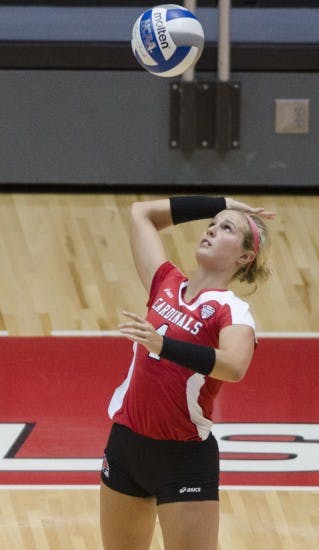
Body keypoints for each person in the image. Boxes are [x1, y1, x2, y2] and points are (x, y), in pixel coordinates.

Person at [100, 196, 276, 550]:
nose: (211, 229)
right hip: (126, 445)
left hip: (183, 459)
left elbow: (234, 365)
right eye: (212, 223)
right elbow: (141, 214)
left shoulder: (233, 311)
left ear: (244, 257)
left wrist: (163, 346)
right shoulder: (165, 282)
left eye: (226, 228)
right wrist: (222, 203)